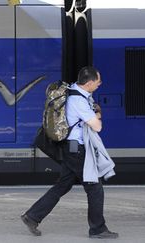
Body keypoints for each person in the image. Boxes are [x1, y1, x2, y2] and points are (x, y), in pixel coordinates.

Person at [21, 66, 118, 239]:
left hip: (70, 149)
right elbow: (97, 126)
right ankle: (97, 229)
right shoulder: (79, 101)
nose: (99, 84)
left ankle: (32, 216)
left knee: (63, 185)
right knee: (95, 188)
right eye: (98, 82)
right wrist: (97, 113)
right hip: (76, 151)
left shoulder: (72, 91)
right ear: (89, 83)